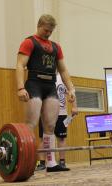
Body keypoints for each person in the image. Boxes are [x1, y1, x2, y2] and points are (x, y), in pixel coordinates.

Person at [16, 14, 76, 172]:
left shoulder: (56, 47)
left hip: (50, 86)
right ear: (39, 25)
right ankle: (26, 163)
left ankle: (51, 163)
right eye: (45, 30)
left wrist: (71, 89)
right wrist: (20, 87)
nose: (48, 33)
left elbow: (63, 69)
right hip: (34, 84)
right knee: (31, 124)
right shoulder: (29, 42)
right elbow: (20, 65)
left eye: (50, 31)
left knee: (50, 126)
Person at [36, 73, 78, 171]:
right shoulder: (43, 77)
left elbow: (72, 91)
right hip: (45, 113)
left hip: (61, 113)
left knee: (61, 138)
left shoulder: (63, 78)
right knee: (43, 138)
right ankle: (42, 163)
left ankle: (62, 162)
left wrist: (75, 106)